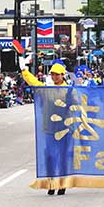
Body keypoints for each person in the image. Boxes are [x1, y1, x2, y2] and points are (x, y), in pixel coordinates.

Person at [21, 59, 69, 195]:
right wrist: (24, 70)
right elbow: (34, 83)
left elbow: (76, 107)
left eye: (57, 74)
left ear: (62, 75)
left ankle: (62, 183)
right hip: (49, 128)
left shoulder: (69, 90)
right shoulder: (47, 90)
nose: (55, 77)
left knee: (62, 157)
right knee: (49, 156)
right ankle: (51, 183)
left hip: (64, 130)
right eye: (53, 74)